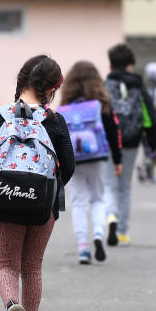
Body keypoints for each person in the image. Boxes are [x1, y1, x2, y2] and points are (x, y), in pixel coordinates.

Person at [0, 55, 74, 311]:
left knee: (6, 264)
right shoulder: (54, 122)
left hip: (6, 197)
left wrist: (8, 186)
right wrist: (41, 192)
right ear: (53, 87)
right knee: (32, 268)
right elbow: (67, 167)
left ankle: (10, 306)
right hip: (43, 205)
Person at [59, 60, 122, 264]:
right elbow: (113, 132)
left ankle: (83, 248)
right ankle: (97, 234)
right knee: (98, 198)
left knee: (78, 201)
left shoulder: (64, 109)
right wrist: (118, 160)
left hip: (73, 159)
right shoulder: (101, 104)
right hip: (97, 156)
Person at [100, 44, 156, 246]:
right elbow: (149, 115)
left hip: (109, 141)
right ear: (131, 65)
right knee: (125, 186)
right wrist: (154, 142)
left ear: (111, 65)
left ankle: (110, 217)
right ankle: (123, 232)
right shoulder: (139, 86)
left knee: (109, 183)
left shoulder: (105, 85)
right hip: (132, 140)